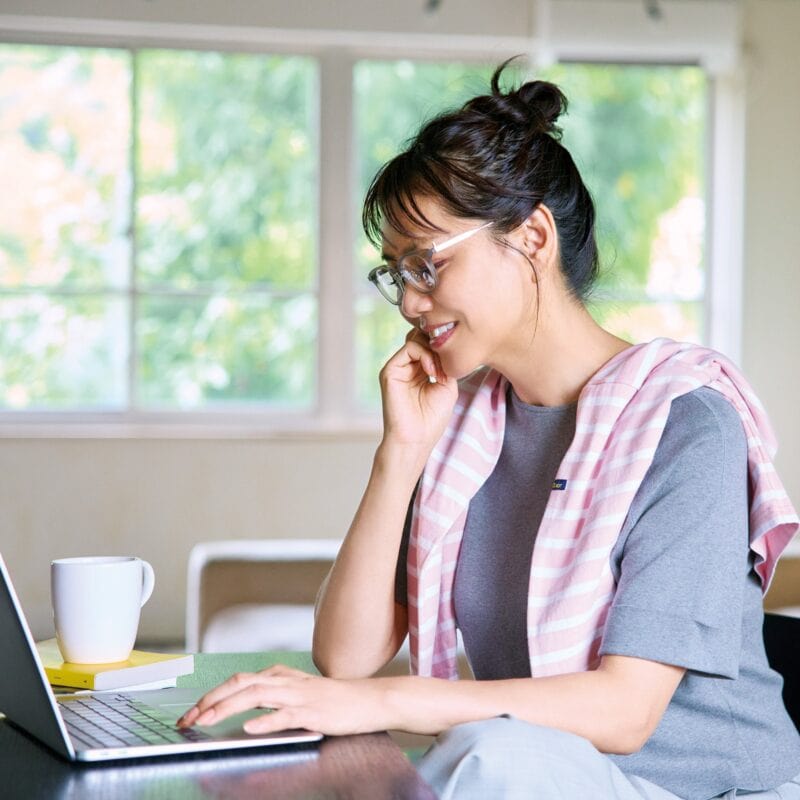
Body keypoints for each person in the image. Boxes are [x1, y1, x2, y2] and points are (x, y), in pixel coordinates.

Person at [178, 61, 800, 799]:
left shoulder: (687, 424)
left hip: (707, 790)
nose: (409, 303)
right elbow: (345, 659)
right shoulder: (468, 425)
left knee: (486, 759)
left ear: (533, 237)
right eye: (394, 274)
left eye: (426, 265)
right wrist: (399, 453)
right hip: (551, 773)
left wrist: (390, 701)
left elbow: (627, 712)